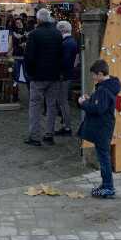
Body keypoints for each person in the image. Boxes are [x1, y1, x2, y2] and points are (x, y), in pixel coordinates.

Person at [78, 60, 120, 198]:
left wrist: (83, 103)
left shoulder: (104, 89)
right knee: (103, 157)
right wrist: (92, 99)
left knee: (104, 159)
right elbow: (101, 104)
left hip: (102, 129)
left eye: (94, 75)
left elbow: (98, 109)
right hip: (104, 127)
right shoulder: (108, 87)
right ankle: (105, 184)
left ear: (101, 74)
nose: (93, 78)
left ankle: (108, 188)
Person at [23, 8, 63, 146]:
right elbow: (61, 55)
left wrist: (29, 73)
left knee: (35, 106)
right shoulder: (58, 34)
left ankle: (35, 136)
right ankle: (49, 134)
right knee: (51, 106)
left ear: (38, 19)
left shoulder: (34, 34)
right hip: (54, 75)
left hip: (38, 75)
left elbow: (29, 56)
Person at [50, 21, 78, 137]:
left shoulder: (66, 43)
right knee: (62, 101)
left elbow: (65, 62)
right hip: (67, 75)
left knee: (62, 101)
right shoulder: (71, 41)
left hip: (64, 76)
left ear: (61, 30)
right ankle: (66, 125)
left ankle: (67, 127)